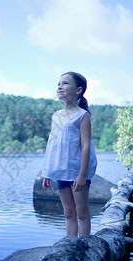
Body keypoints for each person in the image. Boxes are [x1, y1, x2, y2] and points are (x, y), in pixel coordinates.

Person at [42, 71, 98, 237]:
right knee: (68, 213)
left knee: (82, 213)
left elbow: (86, 146)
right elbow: (51, 145)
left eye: (65, 83)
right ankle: (70, 245)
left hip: (76, 172)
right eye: (59, 83)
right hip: (60, 171)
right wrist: (47, 172)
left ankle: (84, 247)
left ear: (78, 90)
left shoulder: (82, 115)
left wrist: (82, 175)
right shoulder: (56, 116)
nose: (60, 86)